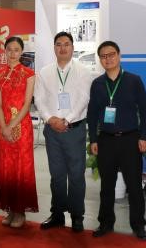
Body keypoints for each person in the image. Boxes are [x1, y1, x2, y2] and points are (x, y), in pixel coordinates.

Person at [87, 40, 146, 241]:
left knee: (134, 186)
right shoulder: (97, 84)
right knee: (107, 186)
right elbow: (92, 114)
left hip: (130, 140)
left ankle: (138, 225)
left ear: (119, 55)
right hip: (106, 141)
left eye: (111, 54)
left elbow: (145, 110)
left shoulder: (134, 80)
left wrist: (144, 136)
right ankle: (106, 223)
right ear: (100, 60)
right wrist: (93, 139)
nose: (108, 59)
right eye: (103, 56)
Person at [34, 31, 92, 232]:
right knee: (57, 175)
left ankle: (77, 216)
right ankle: (57, 214)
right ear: (54, 48)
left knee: (76, 175)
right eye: (59, 44)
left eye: (66, 44)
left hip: (74, 130)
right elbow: (39, 99)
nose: (63, 48)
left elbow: (84, 98)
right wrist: (50, 119)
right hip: (52, 131)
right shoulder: (45, 72)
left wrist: (66, 120)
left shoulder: (83, 71)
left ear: (72, 47)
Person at [0, 36, 38, 228]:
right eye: (9, 49)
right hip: (3, 126)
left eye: (16, 50)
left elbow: (27, 104)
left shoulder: (29, 74)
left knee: (21, 168)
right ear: (4, 51)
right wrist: (4, 126)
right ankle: (10, 209)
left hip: (22, 126)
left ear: (21, 52)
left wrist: (11, 125)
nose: (12, 53)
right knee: (7, 168)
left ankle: (20, 212)